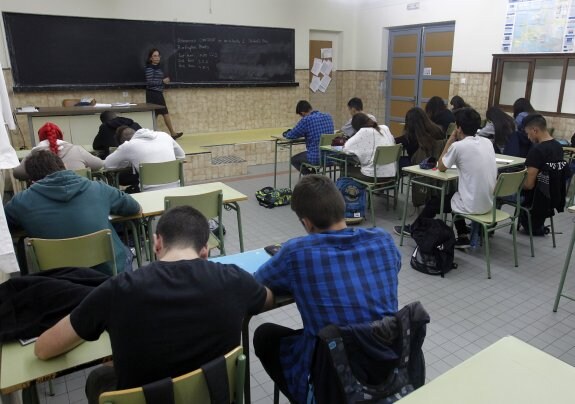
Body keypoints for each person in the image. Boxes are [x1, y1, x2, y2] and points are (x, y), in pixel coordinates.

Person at [34, 205, 273, 404]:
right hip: (214, 394)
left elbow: (43, 349)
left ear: (156, 243)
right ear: (205, 252)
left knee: (99, 376)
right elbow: (267, 298)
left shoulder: (118, 289)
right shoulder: (235, 279)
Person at [253, 175, 401, 403]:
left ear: (307, 223)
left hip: (331, 373)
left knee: (265, 335)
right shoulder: (383, 240)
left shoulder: (296, 252)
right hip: (384, 361)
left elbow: (258, 280)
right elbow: (394, 267)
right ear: (341, 206)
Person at [5, 150, 140, 274]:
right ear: (64, 165)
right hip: (108, 274)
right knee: (126, 251)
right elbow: (134, 207)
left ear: (31, 180)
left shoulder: (21, 202)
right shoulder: (98, 188)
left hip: (58, 280)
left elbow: (5, 226)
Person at [394, 108, 497, 248]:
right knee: (455, 195)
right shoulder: (487, 142)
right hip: (489, 203)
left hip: (471, 205)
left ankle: (414, 228)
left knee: (435, 203)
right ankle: (462, 236)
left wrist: (450, 141)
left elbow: (441, 166)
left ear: (459, 128)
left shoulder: (458, 146)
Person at [521, 114, 568, 235]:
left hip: (535, 202)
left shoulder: (536, 151)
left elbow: (529, 185)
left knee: (499, 193)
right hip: (551, 198)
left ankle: (488, 228)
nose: (528, 136)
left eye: (528, 133)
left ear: (534, 130)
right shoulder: (558, 147)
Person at [13, 122, 104, 181]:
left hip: (46, 204)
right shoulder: (76, 149)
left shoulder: (34, 155)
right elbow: (99, 164)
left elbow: (18, 173)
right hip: (80, 198)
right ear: (60, 136)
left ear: (40, 138)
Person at [104, 126, 185, 191]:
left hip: (148, 192)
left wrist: (127, 162)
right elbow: (181, 156)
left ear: (122, 142)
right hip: (176, 187)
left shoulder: (128, 145)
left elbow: (107, 165)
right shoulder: (164, 135)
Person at [283, 100, 334, 173]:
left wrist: (286, 133)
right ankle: (315, 175)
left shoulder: (306, 120)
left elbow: (291, 135)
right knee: (316, 150)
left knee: (294, 160)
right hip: (331, 157)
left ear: (302, 113)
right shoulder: (328, 116)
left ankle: (311, 178)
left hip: (316, 158)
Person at [342, 112, 395, 181]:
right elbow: (393, 142)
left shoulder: (363, 131)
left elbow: (346, 149)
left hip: (373, 175)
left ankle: (355, 191)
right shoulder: (385, 128)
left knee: (345, 169)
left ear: (356, 127)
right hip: (391, 173)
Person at [145, 48, 183, 139]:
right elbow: (149, 82)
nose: (157, 58)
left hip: (157, 93)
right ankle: (172, 133)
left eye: (158, 56)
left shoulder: (158, 67)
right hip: (153, 94)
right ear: (150, 58)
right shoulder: (149, 68)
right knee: (164, 113)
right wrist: (162, 81)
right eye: (154, 56)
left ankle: (149, 134)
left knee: (155, 114)